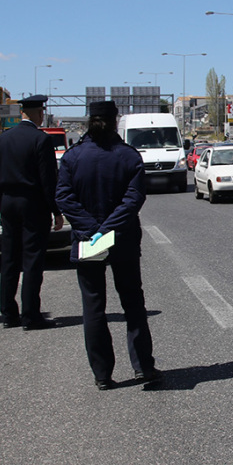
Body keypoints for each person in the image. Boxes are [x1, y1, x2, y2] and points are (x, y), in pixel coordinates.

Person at [56, 100, 161, 390]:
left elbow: (64, 197)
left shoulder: (73, 157)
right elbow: (134, 199)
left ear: (90, 120)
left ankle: (102, 374)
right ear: (115, 121)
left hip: (87, 241)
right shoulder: (128, 156)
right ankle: (143, 367)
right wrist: (107, 229)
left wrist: (91, 230)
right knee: (132, 302)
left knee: (93, 307)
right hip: (122, 238)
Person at [0, 94, 64, 330]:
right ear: (37, 113)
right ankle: (30, 315)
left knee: (10, 259)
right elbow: (48, 180)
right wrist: (55, 210)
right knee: (32, 261)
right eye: (42, 111)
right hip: (32, 205)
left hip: (7, 203)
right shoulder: (41, 140)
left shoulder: (3, 139)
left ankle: (8, 314)